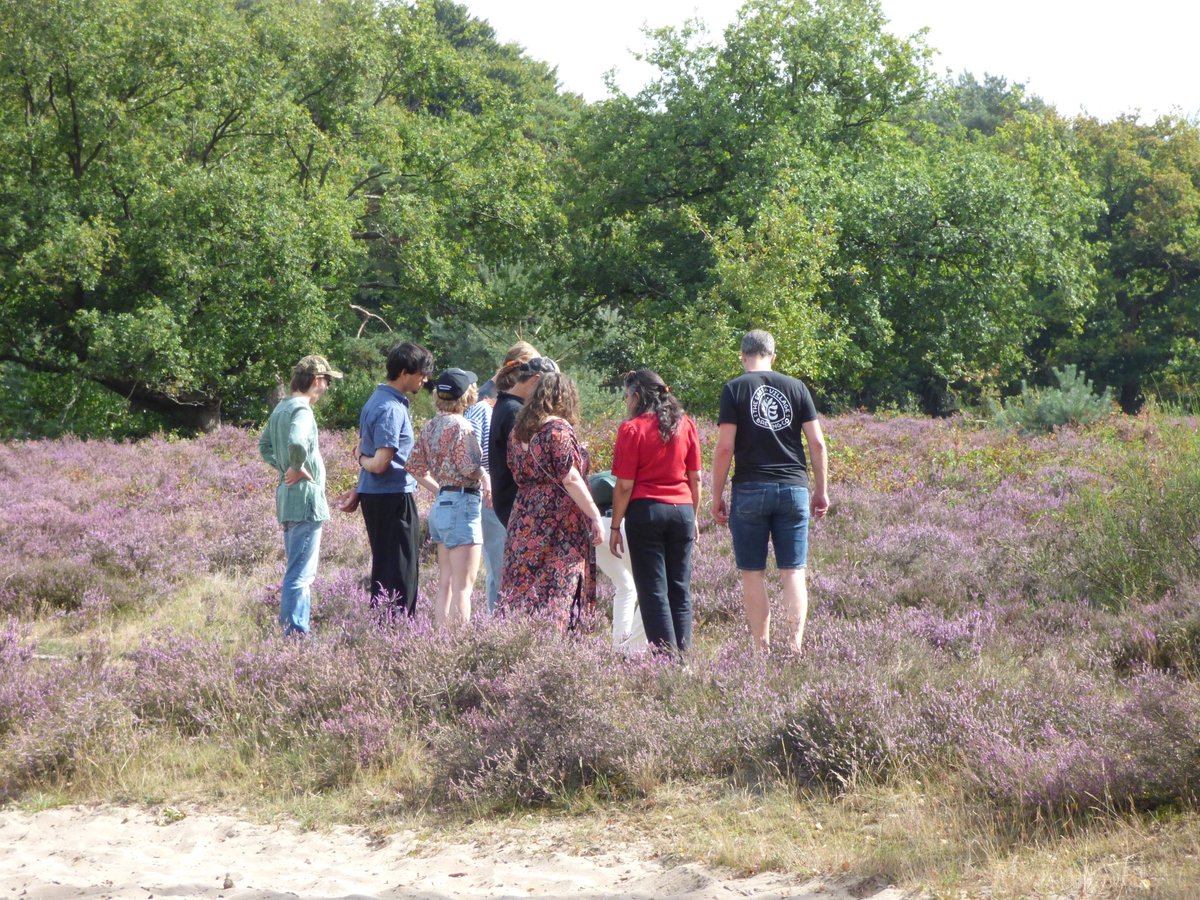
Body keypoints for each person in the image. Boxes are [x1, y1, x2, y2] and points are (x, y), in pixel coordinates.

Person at [710, 330, 829, 654]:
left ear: (743, 356)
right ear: (773, 357)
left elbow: (724, 448)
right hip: (794, 488)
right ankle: (794, 646)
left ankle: (761, 652)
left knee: (753, 573)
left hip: (750, 488)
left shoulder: (734, 389)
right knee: (793, 571)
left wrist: (716, 495)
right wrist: (821, 490)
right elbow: (817, 443)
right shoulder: (797, 388)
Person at [497, 372, 604, 632]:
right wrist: (594, 515)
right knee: (559, 586)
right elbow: (570, 478)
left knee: (521, 587)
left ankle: (514, 641)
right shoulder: (558, 430)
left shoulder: (517, 432)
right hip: (559, 521)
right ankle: (553, 645)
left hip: (524, 515)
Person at [608, 370, 702, 658]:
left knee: (653, 591)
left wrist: (615, 526)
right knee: (679, 589)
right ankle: (683, 660)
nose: (627, 402)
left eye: (627, 396)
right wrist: (693, 516)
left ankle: (667, 661)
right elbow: (696, 477)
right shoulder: (685, 424)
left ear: (637, 395)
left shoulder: (632, 429)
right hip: (682, 511)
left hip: (646, 512)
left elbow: (624, 486)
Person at [258, 354, 341, 636]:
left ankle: (293, 632)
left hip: (288, 500)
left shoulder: (281, 407)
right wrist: (295, 467)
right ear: (316, 380)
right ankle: (296, 635)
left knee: (296, 568)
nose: (327, 387)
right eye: (327, 381)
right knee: (301, 574)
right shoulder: (302, 410)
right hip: (306, 501)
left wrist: (284, 468)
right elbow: (296, 441)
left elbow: (264, 446)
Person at [350, 341, 435, 618]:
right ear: (403, 372)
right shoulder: (391, 408)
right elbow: (379, 462)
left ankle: (387, 628)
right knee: (399, 571)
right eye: (421, 373)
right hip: (391, 497)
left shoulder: (380, 400)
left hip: (381, 495)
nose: (425, 379)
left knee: (390, 567)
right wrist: (361, 459)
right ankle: (395, 629)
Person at [407, 368, 491, 629]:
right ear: (466, 395)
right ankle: (459, 642)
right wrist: (485, 477)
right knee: (464, 586)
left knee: (446, 582)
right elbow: (468, 467)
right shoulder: (463, 426)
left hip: (441, 505)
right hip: (463, 505)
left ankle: (440, 639)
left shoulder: (431, 426)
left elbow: (414, 467)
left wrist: (441, 490)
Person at [465, 342, 539, 612]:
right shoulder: (489, 406)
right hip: (495, 497)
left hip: (500, 495)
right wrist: (486, 479)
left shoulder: (504, 403)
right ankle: (498, 623)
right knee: (500, 570)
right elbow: (471, 453)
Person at [489, 355, 558, 528]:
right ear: (535, 380)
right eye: (550, 388)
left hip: (510, 505)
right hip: (518, 506)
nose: (551, 395)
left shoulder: (505, 405)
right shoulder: (515, 412)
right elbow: (532, 462)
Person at [590, 470, 647, 653]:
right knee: (651, 587)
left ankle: (619, 646)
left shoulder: (610, 475)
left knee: (625, 585)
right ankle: (634, 649)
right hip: (616, 525)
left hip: (592, 527)